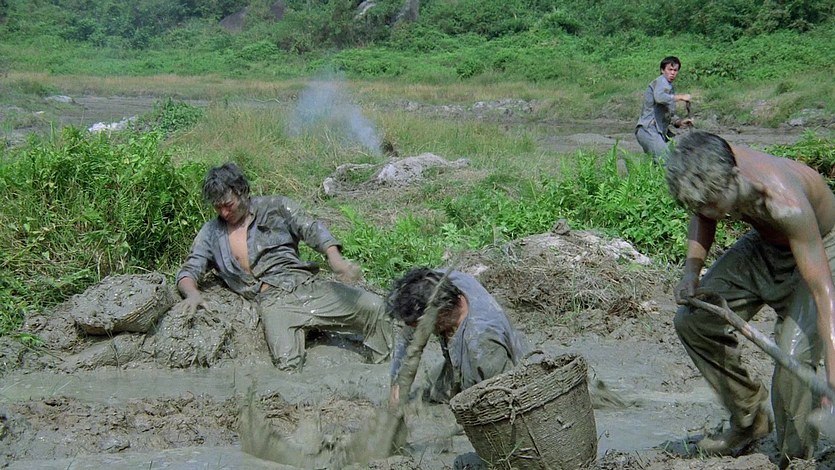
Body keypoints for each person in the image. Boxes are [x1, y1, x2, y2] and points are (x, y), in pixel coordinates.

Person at [666, 131, 835, 468]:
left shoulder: (784, 200)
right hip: (767, 243)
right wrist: (691, 273)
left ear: (735, 177)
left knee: (793, 356)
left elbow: (823, 294)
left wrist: (833, 375)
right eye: (698, 205)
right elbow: (703, 213)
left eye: (712, 204)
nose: (707, 212)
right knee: (694, 320)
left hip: (823, 245)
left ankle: (794, 458)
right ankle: (749, 420)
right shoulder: (712, 169)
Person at [176, 163, 393, 371]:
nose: (224, 213)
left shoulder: (277, 207)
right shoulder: (211, 233)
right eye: (218, 207)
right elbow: (189, 270)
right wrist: (192, 294)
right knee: (287, 366)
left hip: (305, 288)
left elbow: (312, 229)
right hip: (273, 304)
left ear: (241, 192)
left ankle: (388, 373)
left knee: (376, 308)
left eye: (228, 205)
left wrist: (336, 261)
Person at [386, 267, 529, 406]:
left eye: (418, 326)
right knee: (430, 390)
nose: (414, 329)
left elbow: (503, 401)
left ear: (441, 315)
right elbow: (408, 339)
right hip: (460, 359)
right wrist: (397, 383)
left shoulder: (481, 343)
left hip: (501, 381)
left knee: (469, 402)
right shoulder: (436, 283)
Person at [635, 56, 693, 162]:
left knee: (665, 161)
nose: (672, 73)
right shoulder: (661, 82)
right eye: (670, 69)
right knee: (667, 162)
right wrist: (681, 97)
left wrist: (679, 122)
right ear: (662, 70)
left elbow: (669, 113)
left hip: (659, 132)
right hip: (648, 130)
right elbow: (659, 98)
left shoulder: (669, 88)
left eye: (675, 70)